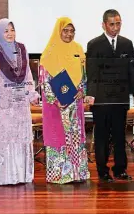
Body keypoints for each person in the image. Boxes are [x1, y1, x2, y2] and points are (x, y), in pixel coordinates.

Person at [0, 19, 39, 185]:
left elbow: (27, 75)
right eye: (6, 31)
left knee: (19, 137)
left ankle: (20, 176)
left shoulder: (21, 49)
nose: (10, 34)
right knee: (3, 139)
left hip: (19, 105)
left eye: (12, 30)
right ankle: (3, 177)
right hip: (1, 107)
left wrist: (32, 94)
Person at [86, 9, 134, 183]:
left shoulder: (127, 43)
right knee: (101, 136)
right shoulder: (94, 44)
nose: (115, 27)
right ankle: (102, 170)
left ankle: (120, 169)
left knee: (119, 135)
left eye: (118, 23)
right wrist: (91, 95)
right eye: (111, 24)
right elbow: (92, 73)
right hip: (101, 100)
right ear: (103, 24)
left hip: (120, 98)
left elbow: (132, 70)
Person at [39, 17, 90, 184]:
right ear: (58, 31)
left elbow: (84, 75)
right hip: (57, 106)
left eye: (72, 31)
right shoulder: (49, 53)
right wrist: (54, 100)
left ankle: (77, 173)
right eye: (65, 31)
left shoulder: (78, 49)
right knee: (58, 137)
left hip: (75, 103)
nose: (69, 34)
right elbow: (44, 80)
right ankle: (60, 175)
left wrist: (82, 90)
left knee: (76, 137)